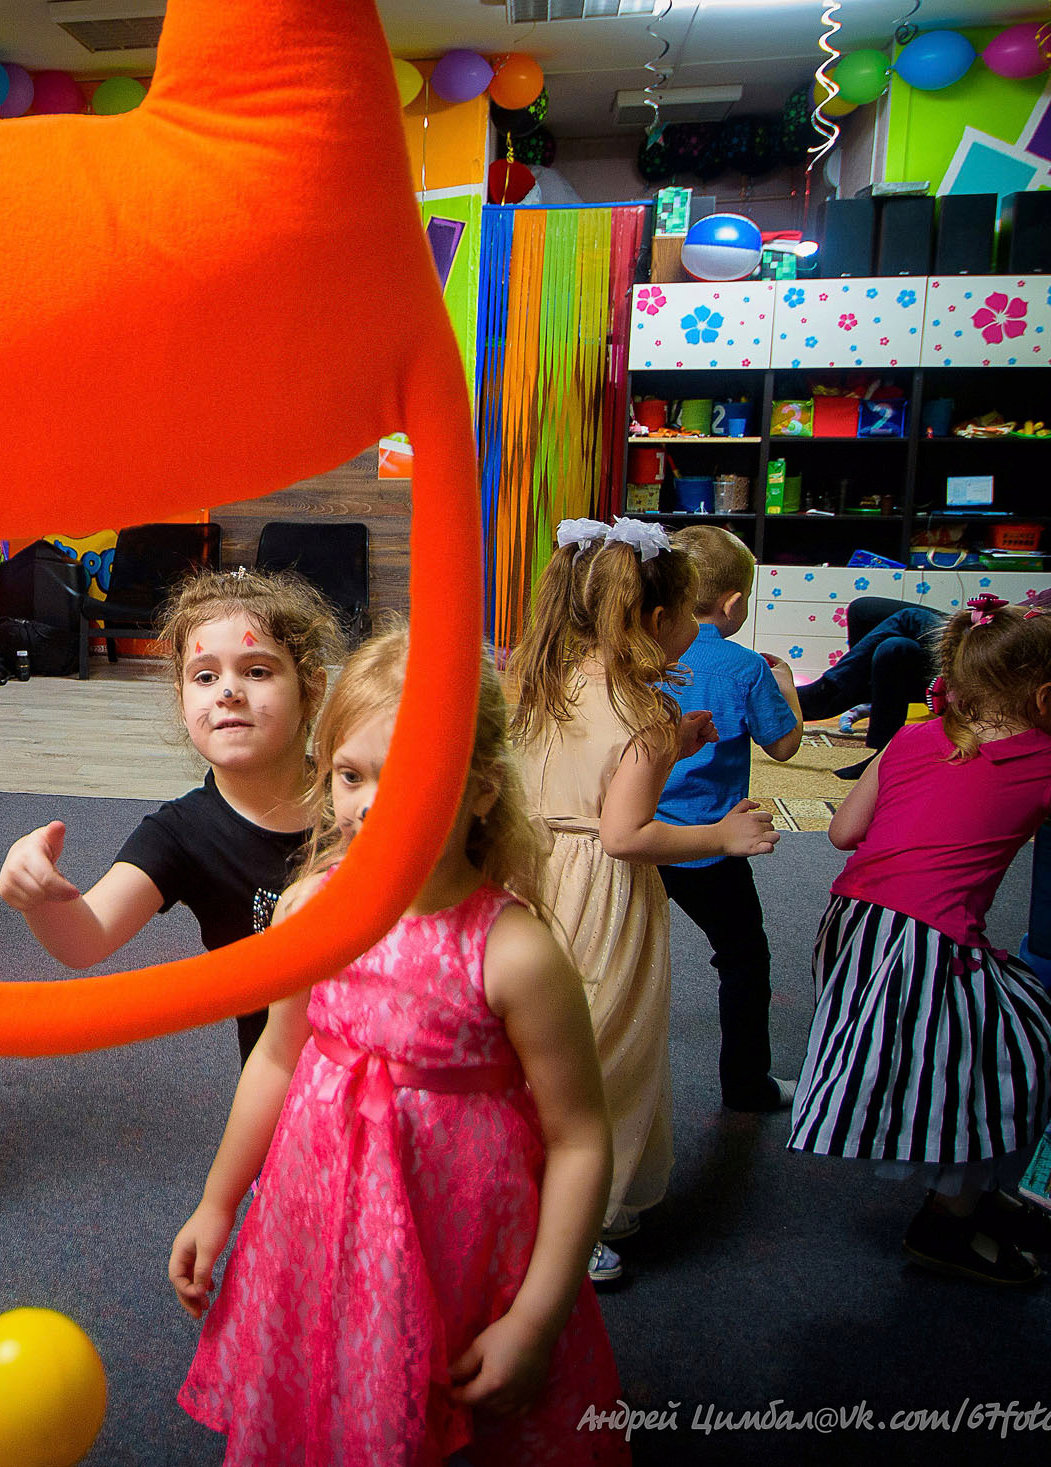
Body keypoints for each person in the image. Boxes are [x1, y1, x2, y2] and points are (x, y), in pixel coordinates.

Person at [169, 621, 626, 1467]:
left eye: (410, 774)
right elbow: (276, 1058)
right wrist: (217, 1201)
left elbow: (580, 1138)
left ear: (481, 789)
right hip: (318, 1219)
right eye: (350, 775)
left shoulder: (513, 952)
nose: (370, 802)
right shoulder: (311, 909)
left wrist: (537, 1315)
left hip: (458, 1238)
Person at [509, 518, 779, 1285]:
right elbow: (626, 834)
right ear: (656, 622)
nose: (697, 627)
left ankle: (525, 1190)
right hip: (600, 895)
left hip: (531, 876)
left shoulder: (547, 683)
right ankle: (580, 1218)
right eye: (690, 613)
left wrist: (677, 745)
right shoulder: (645, 716)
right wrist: (721, 837)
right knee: (606, 1048)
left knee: (535, 1044)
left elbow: (580, 779)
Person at [790, 593, 1051, 1286]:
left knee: (994, 1047)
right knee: (1019, 1059)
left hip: (855, 929)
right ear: (1047, 698)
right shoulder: (1048, 763)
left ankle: (969, 1189)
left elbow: (841, 834)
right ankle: (947, 1222)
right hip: (928, 943)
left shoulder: (913, 736)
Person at [0, 569, 346, 1064]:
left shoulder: (359, 801)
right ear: (182, 701)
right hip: (282, 1087)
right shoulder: (182, 835)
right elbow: (86, 937)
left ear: (311, 686)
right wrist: (34, 893)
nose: (228, 691)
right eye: (205, 676)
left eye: (257, 670)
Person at [654, 526, 805, 1113]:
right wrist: (787, 686)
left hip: (639, 838)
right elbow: (786, 746)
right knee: (743, 959)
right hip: (711, 849)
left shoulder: (640, 653)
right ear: (734, 603)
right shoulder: (746, 667)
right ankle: (746, 1084)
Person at [791, 596, 942, 780]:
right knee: (862, 610)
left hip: (978, 637)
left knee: (903, 631)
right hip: (972, 620)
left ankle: (828, 693)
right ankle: (854, 691)